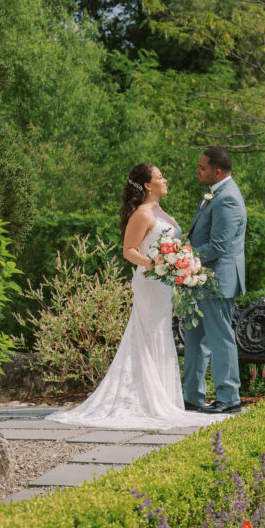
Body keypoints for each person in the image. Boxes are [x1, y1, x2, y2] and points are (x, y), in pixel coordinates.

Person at [49, 163, 227, 430]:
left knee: (160, 333)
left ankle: (162, 397)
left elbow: (168, 241)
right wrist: (153, 264)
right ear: (147, 185)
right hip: (150, 282)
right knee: (147, 333)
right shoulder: (142, 214)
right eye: (159, 177)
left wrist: (180, 253)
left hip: (163, 284)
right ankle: (146, 399)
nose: (165, 180)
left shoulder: (159, 211)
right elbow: (129, 250)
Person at [182, 146, 247, 414]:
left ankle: (229, 398)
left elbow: (219, 246)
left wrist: (184, 257)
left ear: (217, 171)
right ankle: (192, 398)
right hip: (200, 278)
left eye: (202, 167)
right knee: (195, 338)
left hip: (216, 281)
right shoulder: (214, 194)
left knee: (221, 339)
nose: (197, 170)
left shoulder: (228, 198)